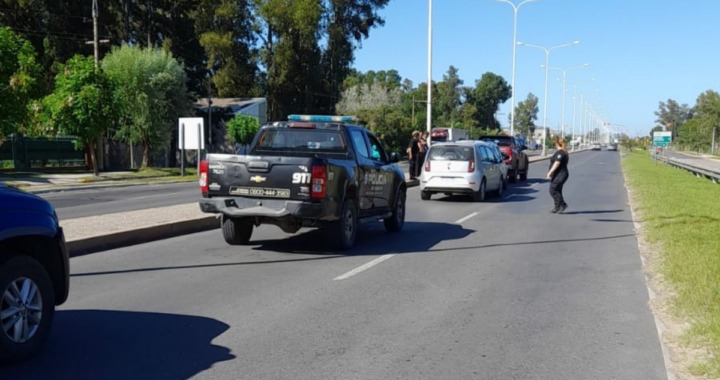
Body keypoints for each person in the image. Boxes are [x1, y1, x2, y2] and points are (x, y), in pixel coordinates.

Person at [546, 138, 570, 213]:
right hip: (558, 174)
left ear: (557, 144)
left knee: (553, 190)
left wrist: (549, 172)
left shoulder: (561, 153)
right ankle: (557, 207)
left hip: (561, 175)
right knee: (557, 190)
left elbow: (557, 163)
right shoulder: (561, 152)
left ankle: (562, 204)